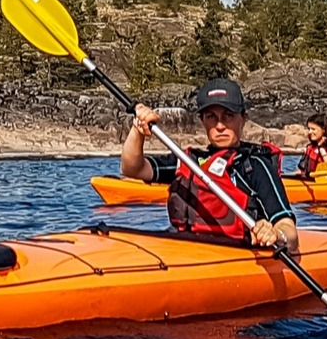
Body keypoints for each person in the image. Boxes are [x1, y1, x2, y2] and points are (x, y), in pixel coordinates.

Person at [118, 76, 297, 251]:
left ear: (243, 118)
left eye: (228, 116)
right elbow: (132, 168)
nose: (220, 125)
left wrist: (276, 234)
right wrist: (138, 130)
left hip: (237, 253)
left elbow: (289, 231)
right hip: (186, 250)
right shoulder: (189, 161)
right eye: (212, 117)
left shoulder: (256, 165)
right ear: (203, 120)